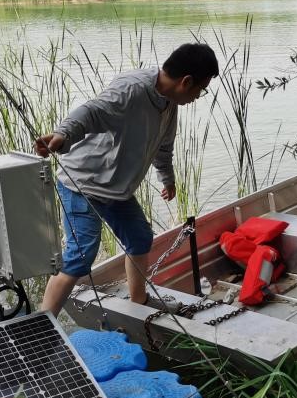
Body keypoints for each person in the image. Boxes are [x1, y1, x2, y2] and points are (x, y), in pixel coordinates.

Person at [34, 43, 220, 317]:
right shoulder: (132, 89)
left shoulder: (170, 102)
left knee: (139, 238)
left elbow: (163, 146)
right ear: (186, 81)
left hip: (114, 190)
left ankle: (139, 301)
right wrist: (62, 134)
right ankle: (41, 326)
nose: (197, 97)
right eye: (200, 90)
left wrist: (167, 179)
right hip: (83, 183)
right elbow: (92, 111)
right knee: (80, 257)